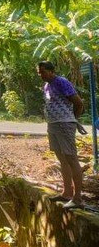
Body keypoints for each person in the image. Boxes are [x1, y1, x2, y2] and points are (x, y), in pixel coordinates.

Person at [37, 61, 85, 209]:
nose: (41, 74)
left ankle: (77, 199)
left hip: (64, 124)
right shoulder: (46, 86)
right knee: (62, 159)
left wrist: (72, 120)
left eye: (43, 71)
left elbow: (78, 103)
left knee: (71, 158)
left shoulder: (61, 82)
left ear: (52, 71)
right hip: (53, 125)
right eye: (39, 72)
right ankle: (67, 193)